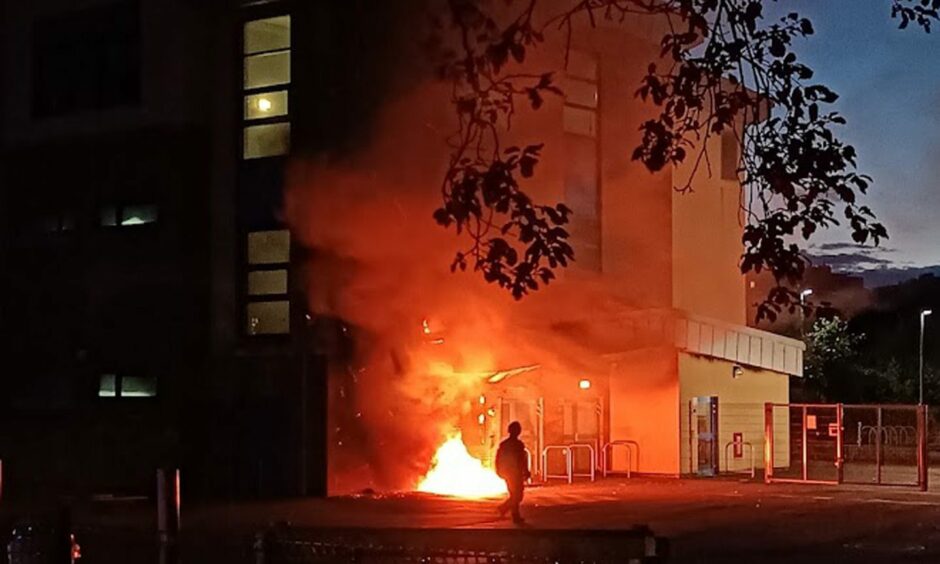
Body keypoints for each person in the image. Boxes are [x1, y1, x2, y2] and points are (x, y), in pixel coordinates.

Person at [495, 421, 530, 524]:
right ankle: (507, 510)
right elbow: (522, 459)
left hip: (509, 473)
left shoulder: (504, 444)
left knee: (515, 494)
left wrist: (499, 470)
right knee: (517, 495)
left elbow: (498, 459)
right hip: (514, 473)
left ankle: (512, 513)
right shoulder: (518, 445)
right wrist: (526, 471)